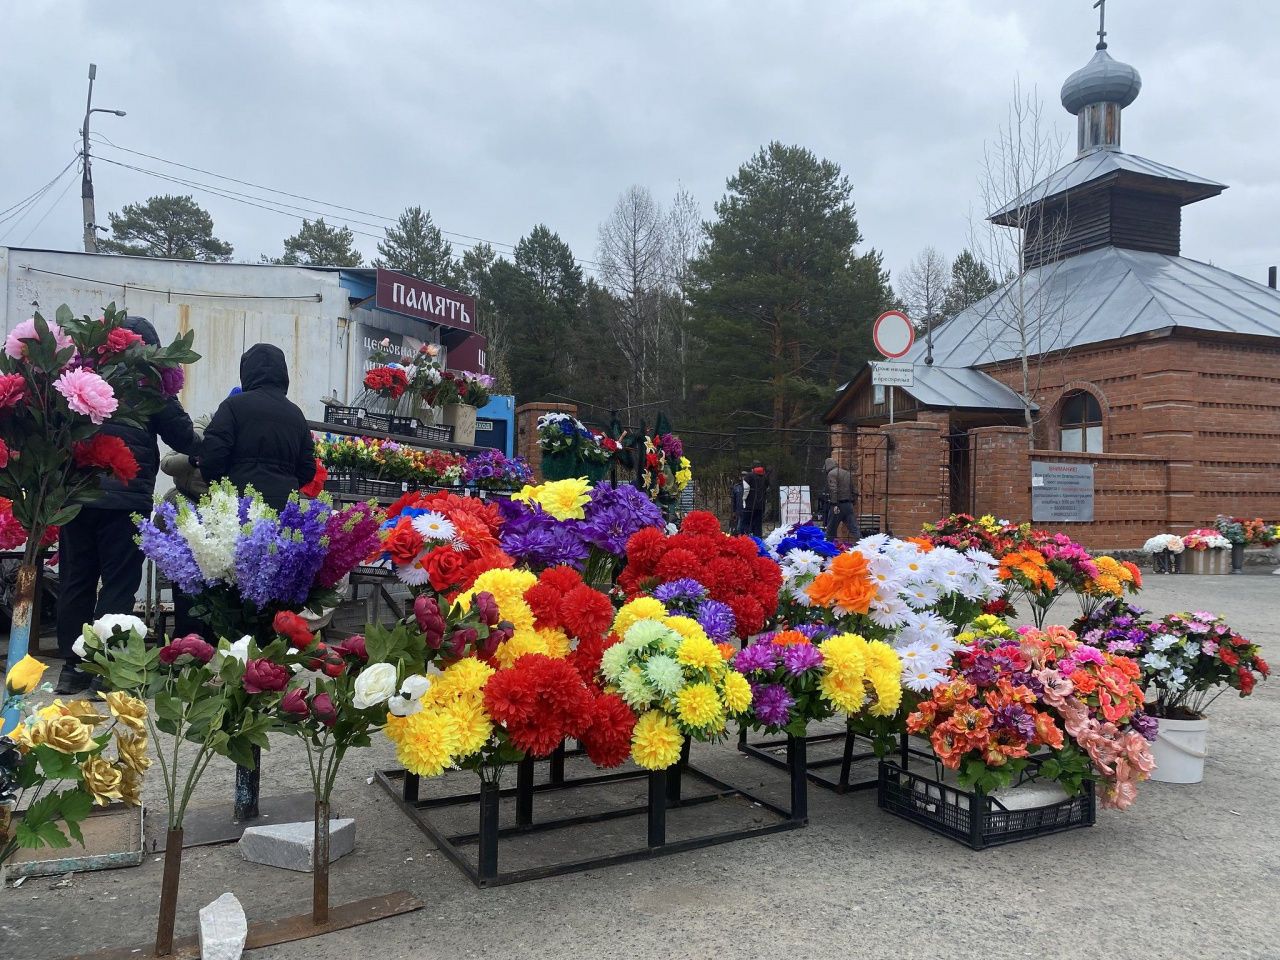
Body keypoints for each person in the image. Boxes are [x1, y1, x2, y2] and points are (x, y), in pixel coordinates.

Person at [55, 317, 201, 694]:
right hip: (126, 495)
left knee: (76, 578)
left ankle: (72, 669)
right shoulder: (150, 384)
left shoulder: (85, 375)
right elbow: (182, 435)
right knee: (119, 582)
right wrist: (212, 453)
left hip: (78, 494)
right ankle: (108, 667)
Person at [200, 344, 315, 511]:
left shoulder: (233, 406)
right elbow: (307, 468)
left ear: (246, 372)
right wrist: (286, 485)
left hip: (237, 505)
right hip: (284, 507)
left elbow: (212, 456)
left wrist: (223, 485)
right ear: (283, 374)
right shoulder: (296, 414)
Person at [160, 414, 211, 637]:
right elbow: (167, 463)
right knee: (183, 576)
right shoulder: (199, 430)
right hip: (184, 505)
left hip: (216, 514)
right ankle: (186, 637)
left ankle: (208, 635)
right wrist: (193, 458)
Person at [824, 454, 857, 541]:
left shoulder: (831, 474)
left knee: (830, 530)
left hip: (838, 505)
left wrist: (834, 504)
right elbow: (854, 489)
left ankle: (827, 548)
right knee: (854, 529)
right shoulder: (846, 473)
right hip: (848, 504)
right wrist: (853, 501)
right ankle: (863, 545)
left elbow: (833, 489)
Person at [744, 463, 768, 538]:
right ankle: (758, 540)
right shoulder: (764, 477)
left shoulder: (749, 476)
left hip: (750, 504)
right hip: (760, 504)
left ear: (752, 469)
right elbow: (767, 488)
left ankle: (747, 539)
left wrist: (743, 499)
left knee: (747, 522)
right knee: (758, 524)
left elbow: (746, 489)